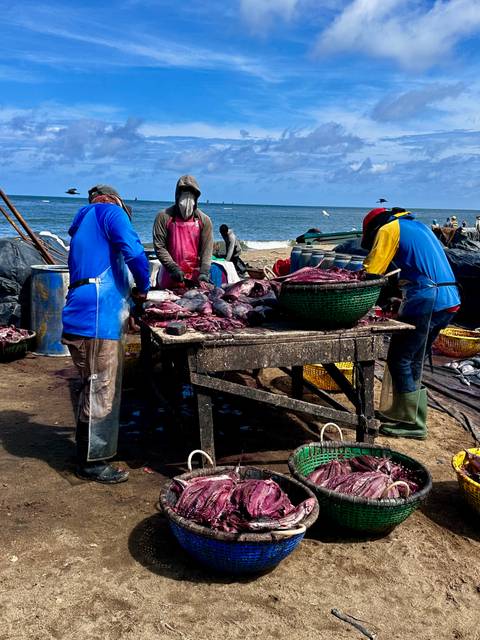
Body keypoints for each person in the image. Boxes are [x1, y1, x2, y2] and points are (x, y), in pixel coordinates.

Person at [62, 185, 150, 483]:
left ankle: (87, 451)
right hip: (97, 316)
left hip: (80, 312)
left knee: (91, 385)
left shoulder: (82, 223)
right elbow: (136, 253)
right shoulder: (110, 212)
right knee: (101, 387)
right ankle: (93, 462)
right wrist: (143, 289)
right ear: (116, 201)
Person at [362, 207, 460, 439]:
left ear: (374, 227)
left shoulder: (389, 229)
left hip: (428, 299)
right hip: (449, 299)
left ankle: (414, 423)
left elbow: (371, 272)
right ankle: (404, 413)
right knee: (414, 359)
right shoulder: (418, 227)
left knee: (400, 359)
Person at [153, 175, 213, 288]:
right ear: (177, 195)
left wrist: (204, 271)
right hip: (169, 274)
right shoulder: (163, 217)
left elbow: (207, 249)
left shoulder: (204, 220)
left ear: (196, 197)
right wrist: (172, 267)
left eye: (191, 193)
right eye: (184, 192)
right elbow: (159, 246)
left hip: (195, 276)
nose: (188, 198)